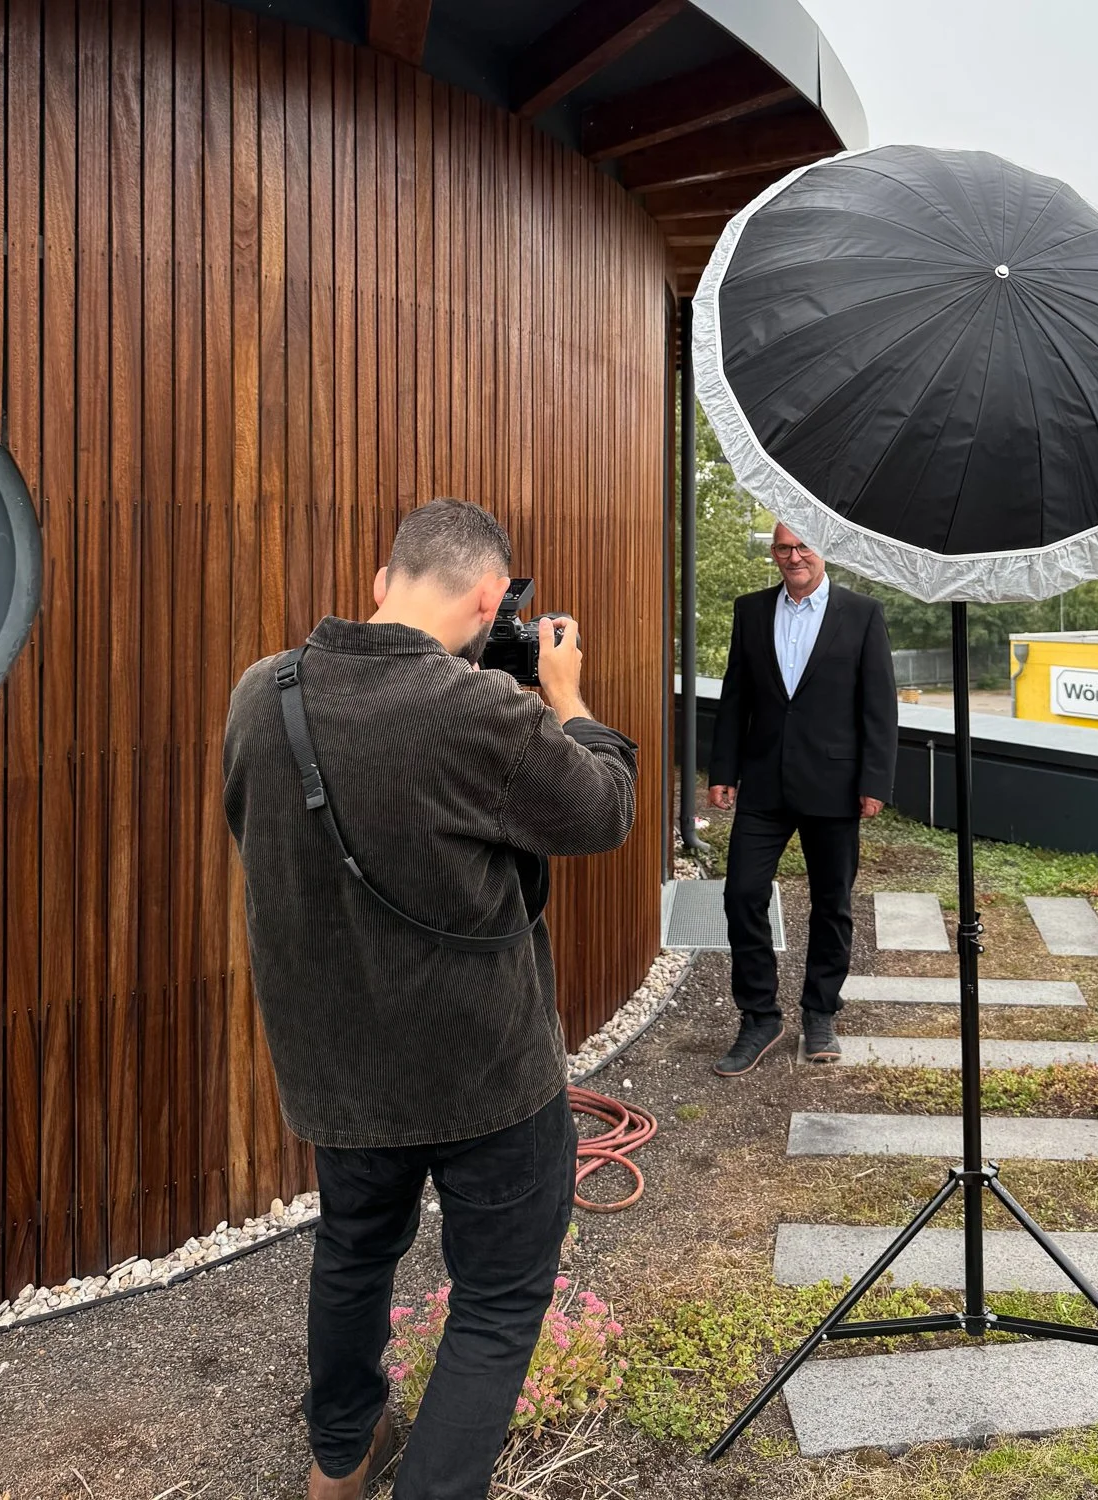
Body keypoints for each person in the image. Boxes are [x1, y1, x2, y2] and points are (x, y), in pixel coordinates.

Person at [222, 499, 637, 1500]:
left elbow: (258, 832)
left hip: (339, 1075)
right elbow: (603, 811)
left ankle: (339, 1465)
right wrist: (569, 698)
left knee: (355, 1256)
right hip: (485, 1077)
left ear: (383, 582)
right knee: (496, 1301)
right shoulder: (481, 712)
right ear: (493, 598)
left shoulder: (259, 692)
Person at [707, 523, 898, 1075]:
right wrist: (724, 768)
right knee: (743, 894)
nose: (793, 558)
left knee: (831, 903)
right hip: (764, 783)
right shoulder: (750, 610)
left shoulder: (862, 613)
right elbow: (735, 694)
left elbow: (879, 707)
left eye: (803, 548)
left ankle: (820, 1011)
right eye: (783, 549)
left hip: (834, 786)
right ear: (773, 554)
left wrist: (874, 782)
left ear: (823, 551)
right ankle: (760, 1017)